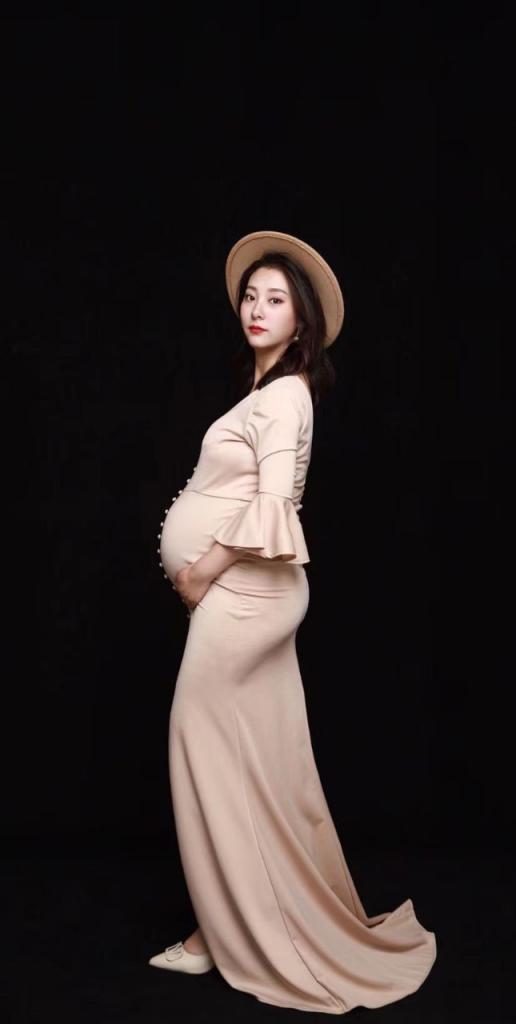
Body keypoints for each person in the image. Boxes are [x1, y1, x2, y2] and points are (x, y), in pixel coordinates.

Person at [149, 231, 437, 1012]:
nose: (257, 308)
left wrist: (201, 570)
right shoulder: (268, 391)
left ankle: (223, 935)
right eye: (251, 295)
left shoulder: (283, 396)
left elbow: (274, 503)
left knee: (199, 743)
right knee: (257, 762)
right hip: (251, 594)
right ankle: (222, 927)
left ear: (301, 321)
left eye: (275, 299)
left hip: (247, 594)